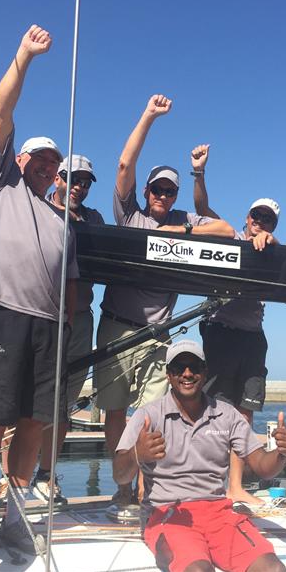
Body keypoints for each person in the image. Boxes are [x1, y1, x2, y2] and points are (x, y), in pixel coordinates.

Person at [0, 24, 79, 553]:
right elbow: (0, 113)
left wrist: (69, 326)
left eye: (54, 161)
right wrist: (24, 57)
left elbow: (71, 285)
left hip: (49, 328)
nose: (47, 165)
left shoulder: (64, 222)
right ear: (19, 161)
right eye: (39, 158)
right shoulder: (1, 184)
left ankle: (13, 513)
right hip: (3, 315)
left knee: (35, 421)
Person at [94, 95, 234, 507]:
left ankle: (145, 489)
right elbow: (123, 166)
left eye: (169, 191)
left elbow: (225, 230)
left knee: (152, 414)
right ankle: (122, 486)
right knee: (115, 412)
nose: (162, 195)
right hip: (117, 326)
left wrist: (183, 235)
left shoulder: (180, 220)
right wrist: (149, 116)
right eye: (157, 188)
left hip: (158, 337)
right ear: (147, 190)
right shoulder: (130, 215)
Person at [112, 339, 286, 572]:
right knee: (199, 571)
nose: (187, 373)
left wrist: (282, 454)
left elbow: (262, 465)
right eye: (178, 368)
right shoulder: (148, 416)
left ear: (205, 373)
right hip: (167, 513)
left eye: (194, 367)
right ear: (168, 375)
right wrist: (137, 453)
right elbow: (119, 475)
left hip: (219, 514)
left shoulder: (227, 415)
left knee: (273, 570)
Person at [191, 144, 281, 505]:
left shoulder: (275, 246)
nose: (260, 223)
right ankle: (203, 482)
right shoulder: (228, 235)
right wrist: (199, 172)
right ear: (246, 218)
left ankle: (235, 485)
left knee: (244, 414)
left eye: (267, 219)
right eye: (256, 217)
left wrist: (270, 243)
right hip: (220, 332)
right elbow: (200, 209)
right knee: (210, 408)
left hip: (253, 338)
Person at [31, 154, 104, 505]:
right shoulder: (35, 208)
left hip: (80, 319)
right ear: (58, 178)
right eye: (75, 179)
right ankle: (12, 476)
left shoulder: (95, 220)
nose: (80, 187)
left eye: (87, 182)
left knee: (64, 405)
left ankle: (47, 474)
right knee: (29, 401)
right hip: (41, 317)